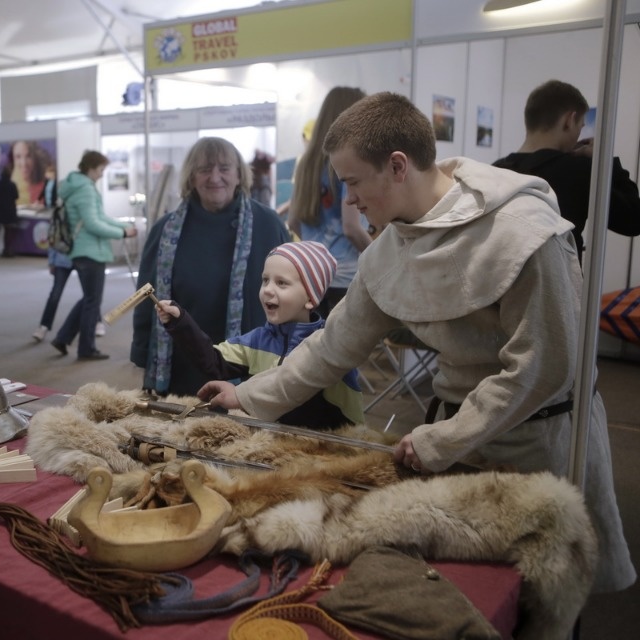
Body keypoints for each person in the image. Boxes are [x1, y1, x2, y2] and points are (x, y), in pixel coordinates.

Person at [198, 92, 635, 596]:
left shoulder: (523, 233)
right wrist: (249, 396)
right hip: (450, 439)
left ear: (398, 166)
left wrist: (443, 439)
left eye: (354, 182)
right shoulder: (390, 249)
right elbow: (331, 347)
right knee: (470, 591)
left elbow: (544, 366)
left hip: (537, 442)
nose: (352, 201)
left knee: (544, 589)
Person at [131, 136, 290, 396]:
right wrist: (142, 354)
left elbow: (292, 294)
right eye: (204, 169)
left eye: (224, 168)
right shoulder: (165, 232)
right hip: (182, 369)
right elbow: (146, 297)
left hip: (252, 369)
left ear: (239, 175)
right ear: (191, 178)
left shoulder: (268, 224)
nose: (215, 177)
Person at [156, 240, 362, 429]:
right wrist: (180, 322)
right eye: (265, 280)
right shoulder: (256, 341)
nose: (268, 290)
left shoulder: (328, 347)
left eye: (281, 283)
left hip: (312, 454)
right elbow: (213, 361)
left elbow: (350, 414)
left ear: (310, 297)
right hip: (264, 447)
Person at [494, 79, 640, 263]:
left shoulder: (494, 170)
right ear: (569, 121)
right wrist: (606, 160)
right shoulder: (580, 172)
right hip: (558, 288)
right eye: (581, 126)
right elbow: (634, 220)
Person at [289, 86, 372, 317]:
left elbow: (294, 220)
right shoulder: (346, 162)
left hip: (309, 276)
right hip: (344, 278)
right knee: (346, 350)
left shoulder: (307, 163)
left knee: (314, 348)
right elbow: (351, 228)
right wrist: (380, 257)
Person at [50, 150, 136, 360]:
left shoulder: (78, 187)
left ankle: (63, 338)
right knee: (92, 301)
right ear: (90, 168)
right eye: (100, 169)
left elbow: (99, 217)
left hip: (83, 251)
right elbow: (93, 224)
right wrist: (122, 232)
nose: (102, 174)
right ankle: (86, 348)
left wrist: (123, 225)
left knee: (89, 298)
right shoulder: (86, 190)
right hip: (90, 252)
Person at [8, 140, 50, 206]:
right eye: (18, 157)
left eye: (28, 156)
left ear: (35, 158)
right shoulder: (10, 187)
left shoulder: (44, 186)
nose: (23, 163)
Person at [0, 165, 19, 257]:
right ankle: (6, 250)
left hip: (0, 209)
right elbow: (16, 196)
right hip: (10, 209)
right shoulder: (12, 185)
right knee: (8, 231)